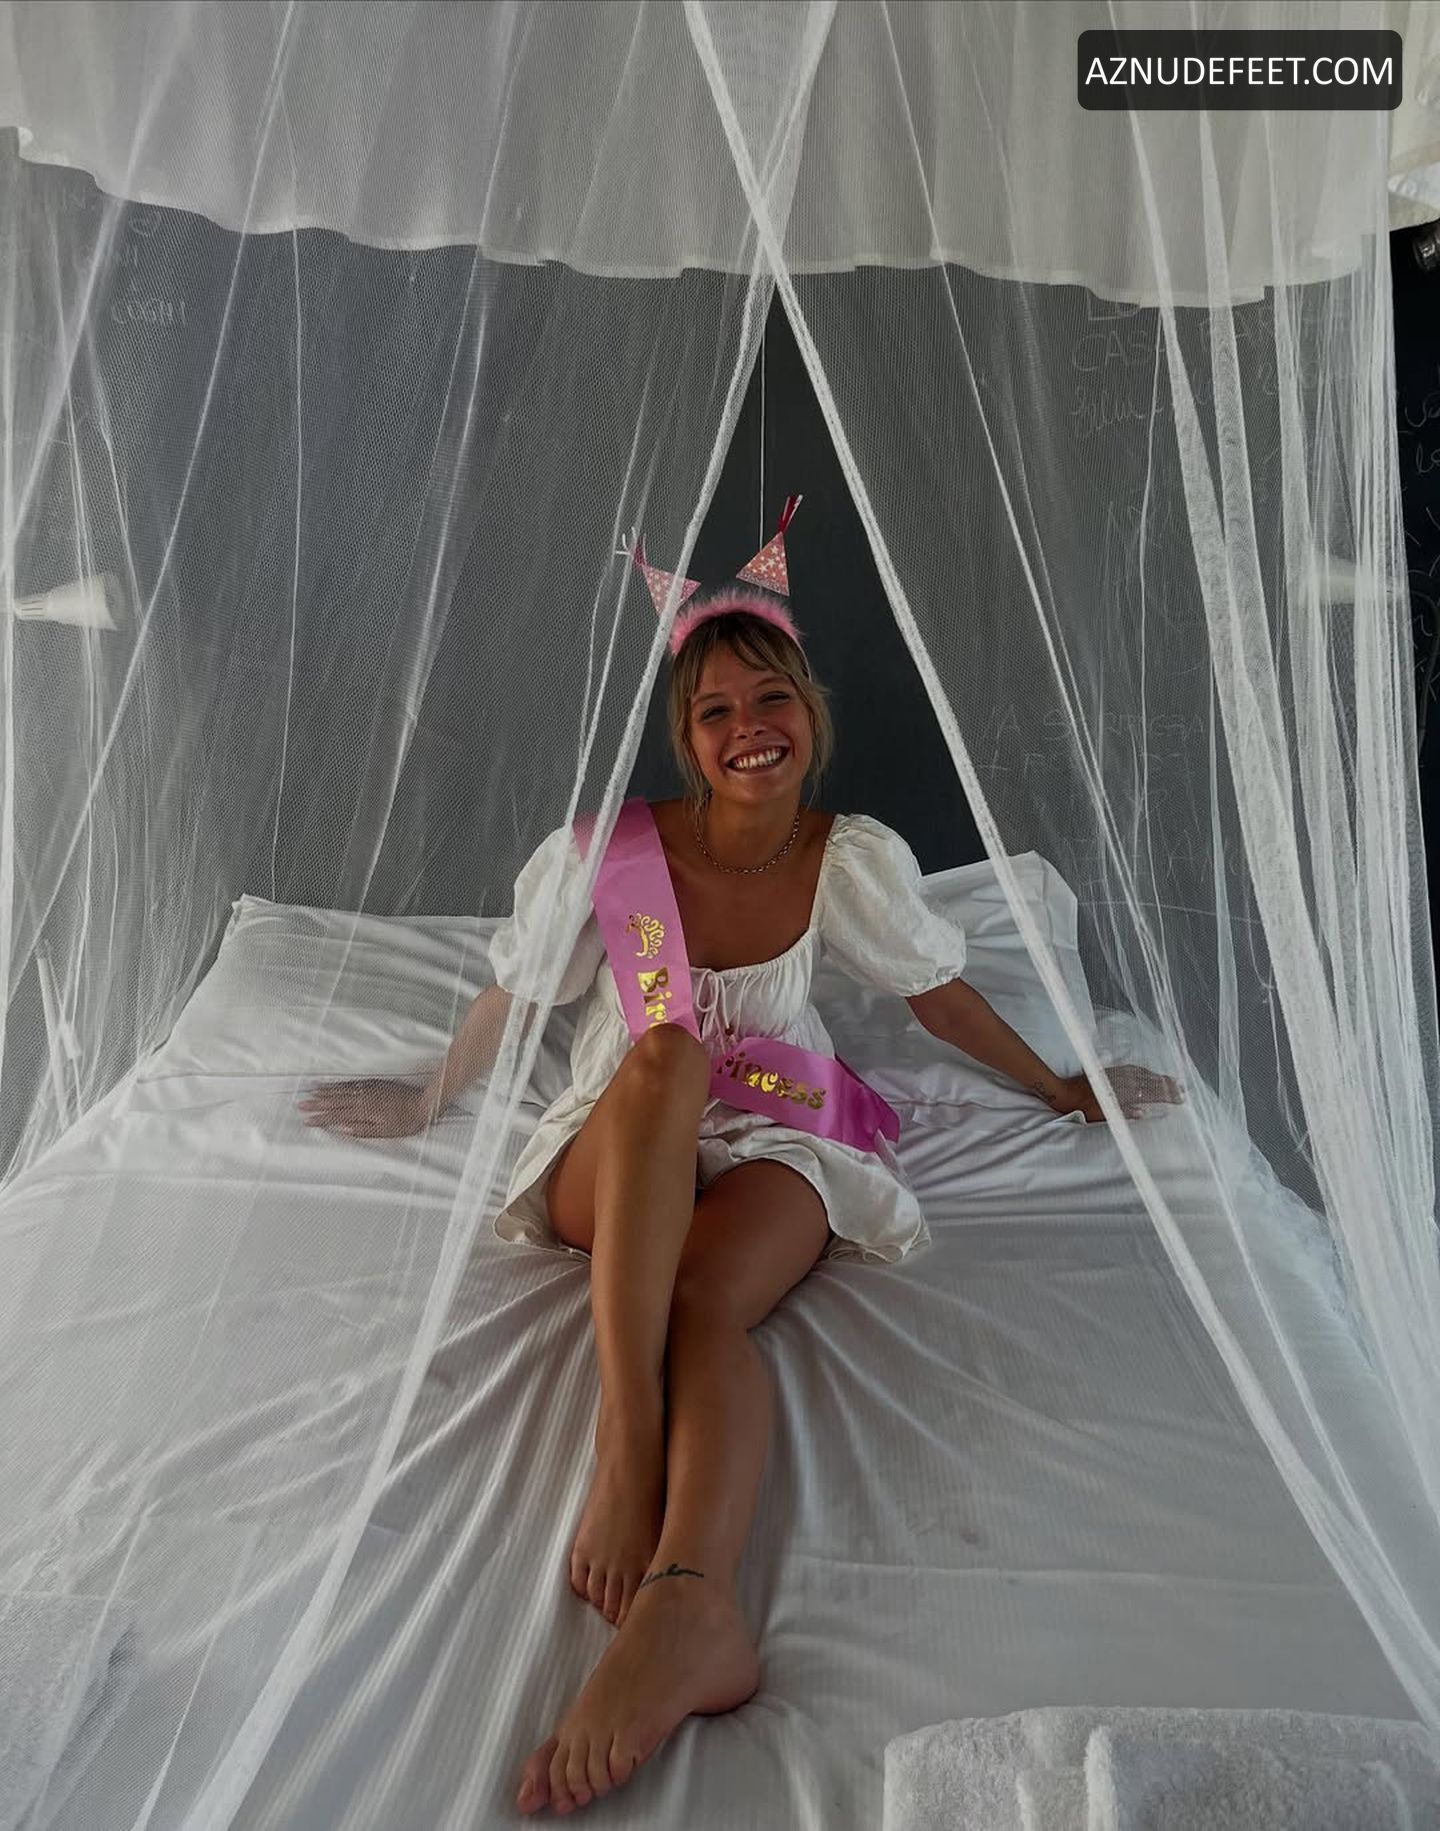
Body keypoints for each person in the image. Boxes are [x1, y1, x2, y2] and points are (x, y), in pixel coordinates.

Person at [299, 511, 1183, 1818]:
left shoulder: (846, 857)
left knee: (709, 1306)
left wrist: (1060, 1085)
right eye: (716, 711)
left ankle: (693, 1604)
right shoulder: (607, 856)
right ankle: (627, 1435)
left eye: (771, 699)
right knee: (664, 1056)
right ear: (687, 735)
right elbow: (522, 995)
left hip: (777, 1124)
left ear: (808, 713)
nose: (748, 727)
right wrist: (433, 1092)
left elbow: (938, 1000)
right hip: (625, 1128)